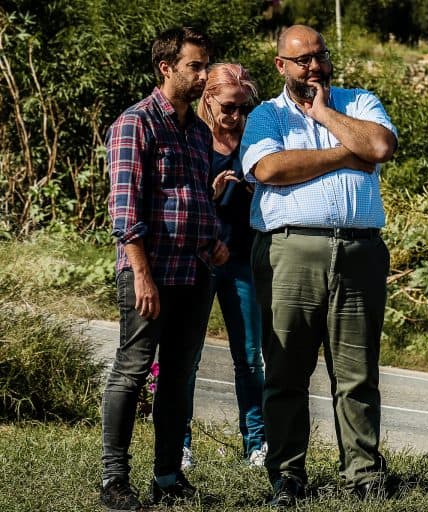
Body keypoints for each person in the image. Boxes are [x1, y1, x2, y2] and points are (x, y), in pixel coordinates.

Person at [240, 24, 398, 507]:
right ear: (280, 66)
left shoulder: (359, 101)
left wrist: (325, 113)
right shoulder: (266, 115)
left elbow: (380, 148)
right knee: (286, 370)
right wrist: (344, 155)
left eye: (320, 56)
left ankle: (363, 474)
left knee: (357, 374)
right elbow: (269, 169)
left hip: (359, 251)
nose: (314, 66)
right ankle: (287, 474)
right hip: (291, 250)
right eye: (302, 59)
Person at [100, 27, 228, 511]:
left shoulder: (199, 132)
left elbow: (195, 197)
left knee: (178, 377)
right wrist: (141, 274)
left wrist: (212, 240)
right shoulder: (136, 123)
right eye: (195, 66)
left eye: (206, 65)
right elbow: (124, 208)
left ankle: (168, 477)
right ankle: (114, 480)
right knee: (132, 372)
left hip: (194, 273)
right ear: (166, 68)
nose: (204, 75)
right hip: (150, 273)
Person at [182, 63, 266, 470]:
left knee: (249, 357)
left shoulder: (255, 140)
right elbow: (177, 200)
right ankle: (179, 442)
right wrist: (210, 195)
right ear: (208, 98)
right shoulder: (193, 137)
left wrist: (260, 189)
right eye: (228, 107)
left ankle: (257, 442)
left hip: (243, 260)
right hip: (199, 260)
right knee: (187, 356)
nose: (235, 115)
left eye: (243, 107)